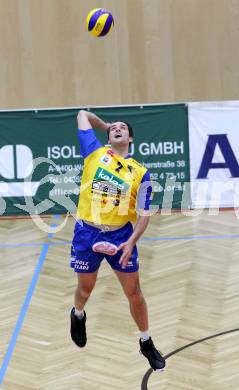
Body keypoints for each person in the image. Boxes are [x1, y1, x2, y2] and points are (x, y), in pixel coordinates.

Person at [70, 109, 165, 372]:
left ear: (130, 139)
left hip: (121, 236)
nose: (117, 129)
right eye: (114, 129)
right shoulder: (94, 152)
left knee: (134, 293)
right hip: (86, 233)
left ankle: (146, 342)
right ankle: (77, 314)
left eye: (123, 128)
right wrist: (105, 124)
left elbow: (144, 215)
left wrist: (132, 241)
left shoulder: (141, 173)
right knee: (85, 290)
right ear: (109, 136)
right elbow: (82, 114)